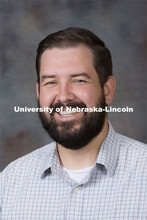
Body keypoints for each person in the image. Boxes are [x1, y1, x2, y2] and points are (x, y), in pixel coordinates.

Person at [0, 27, 146, 220]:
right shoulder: (10, 183)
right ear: (38, 92)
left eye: (78, 80)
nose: (63, 96)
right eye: (51, 82)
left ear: (107, 90)